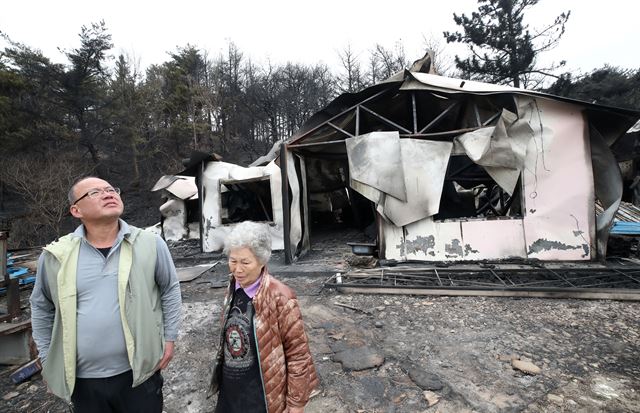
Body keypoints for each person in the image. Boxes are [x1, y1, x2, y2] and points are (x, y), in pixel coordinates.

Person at [29, 176, 182, 412]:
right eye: (95, 192)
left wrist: (169, 338)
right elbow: (41, 307)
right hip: (83, 380)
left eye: (111, 189)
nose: (108, 194)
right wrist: (48, 360)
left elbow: (170, 289)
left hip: (140, 373)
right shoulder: (56, 255)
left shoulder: (150, 244)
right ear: (76, 210)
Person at [209, 221, 318, 413]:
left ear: (262, 261)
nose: (237, 269)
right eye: (233, 261)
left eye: (245, 262)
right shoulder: (233, 288)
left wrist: (295, 405)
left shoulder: (281, 297)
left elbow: (298, 355)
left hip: (262, 398)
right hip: (230, 395)